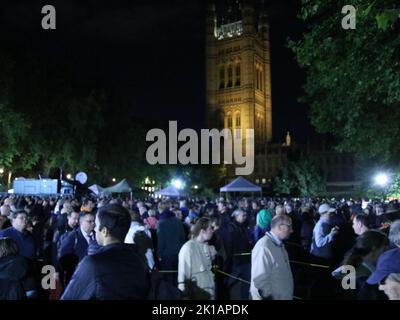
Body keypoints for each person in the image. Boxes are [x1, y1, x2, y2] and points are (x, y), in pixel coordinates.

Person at [61, 204, 150, 299]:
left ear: (104, 231)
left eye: (96, 224)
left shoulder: (93, 263)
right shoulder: (140, 260)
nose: (94, 228)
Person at [250, 215, 294, 300]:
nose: (292, 230)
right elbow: (260, 283)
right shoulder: (264, 247)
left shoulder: (278, 244)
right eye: (290, 226)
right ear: (280, 227)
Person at [178, 217, 216, 299]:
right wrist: (184, 295)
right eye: (210, 228)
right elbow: (183, 275)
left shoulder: (207, 246)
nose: (213, 231)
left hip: (210, 292)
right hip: (197, 293)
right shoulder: (188, 247)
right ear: (202, 231)